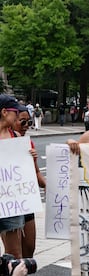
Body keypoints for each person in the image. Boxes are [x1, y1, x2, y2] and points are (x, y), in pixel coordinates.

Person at [13, 109, 46, 258]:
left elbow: (37, 172)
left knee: (29, 250)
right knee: (14, 255)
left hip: (26, 202)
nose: (27, 125)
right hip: (9, 204)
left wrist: (49, 186)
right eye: (23, 122)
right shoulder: (3, 142)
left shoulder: (29, 143)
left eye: (30, 122)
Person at [0, 95, 25, 257]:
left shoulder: (16, 136)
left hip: (10, 201)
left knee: (15, 254)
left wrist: (30, 157)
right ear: (4, 112)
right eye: (15, 111)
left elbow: (21, 168)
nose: (18, 115)